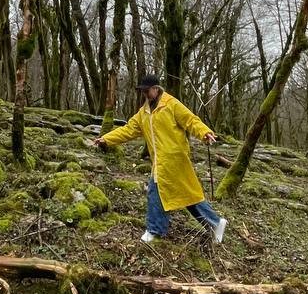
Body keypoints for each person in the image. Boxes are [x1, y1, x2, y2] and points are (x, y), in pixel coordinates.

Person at [94, 74, 227, 244]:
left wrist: (204, 132)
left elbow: (190, 120)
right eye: (142, 91)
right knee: (186, 195)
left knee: (156, 192)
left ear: (156, 89)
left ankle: (155, 230)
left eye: (147, 90)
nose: (145, 94)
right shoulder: (144, 112)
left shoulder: (171, 104)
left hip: (175, 158)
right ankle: (215, 223)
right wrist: (106, 139)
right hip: (160, 161)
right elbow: (128, 130)